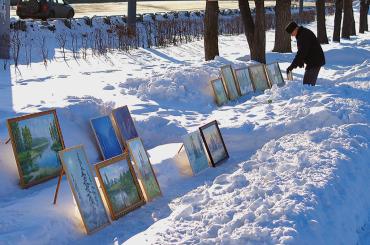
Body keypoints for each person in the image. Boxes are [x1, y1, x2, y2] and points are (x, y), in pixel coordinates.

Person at [285, 21, 326, 86]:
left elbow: (301, 53)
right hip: (313, 61)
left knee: (307, 85)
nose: (291, 35)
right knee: (307, 84)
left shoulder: (303, 35)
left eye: (291, 32)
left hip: (315, 61)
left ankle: (310, 95)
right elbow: (304, 50)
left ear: (296, 29)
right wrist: (301, 60)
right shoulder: (301, 33)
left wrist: (292, 66)